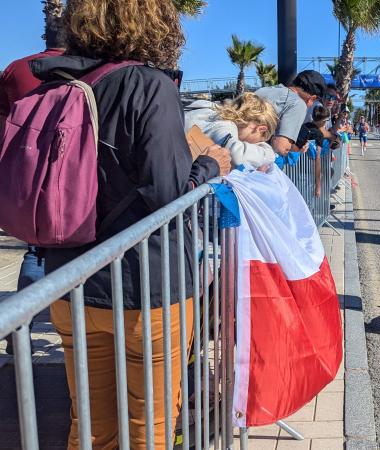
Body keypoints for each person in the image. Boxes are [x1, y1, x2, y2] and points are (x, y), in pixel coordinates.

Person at [36, 0, 230, 447]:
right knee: (150, 428)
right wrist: (207, 167)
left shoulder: (55, 84)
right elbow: (167, 193)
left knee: (89, 428)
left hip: (69, 281)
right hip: (146, 286)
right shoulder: (148, 85)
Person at [0, 27, 66, 355]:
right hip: (75, 178)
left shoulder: (17, 69)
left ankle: (20, 325)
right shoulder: (89, 67)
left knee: (36, 251)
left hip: (26, 175)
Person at [184, 93, 278, 170]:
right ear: (261, 129)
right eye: (259, 141)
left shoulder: (208, 109)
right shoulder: (224, 125)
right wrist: (269, 154)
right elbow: (236, 156)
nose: (255, 144)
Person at [255, 70, 327, 156]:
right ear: (312, 98)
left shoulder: (263, 90)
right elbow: (280, 148)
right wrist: (295, 148)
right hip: (252, 161)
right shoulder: (298, 103)